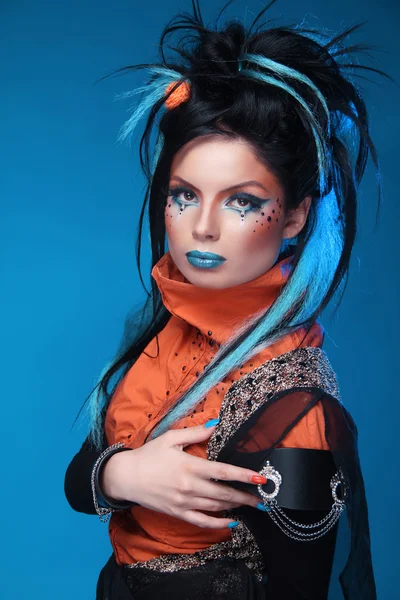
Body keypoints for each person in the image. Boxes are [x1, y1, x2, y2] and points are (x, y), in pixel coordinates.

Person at [64, 1, 392, 598]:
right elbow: (78, 479)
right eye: (185, 195)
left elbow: (300, 589)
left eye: (241, 201)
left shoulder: (295, 404)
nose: (202, 228)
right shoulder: (164, 328)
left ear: (294, 216)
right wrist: (125, 472)